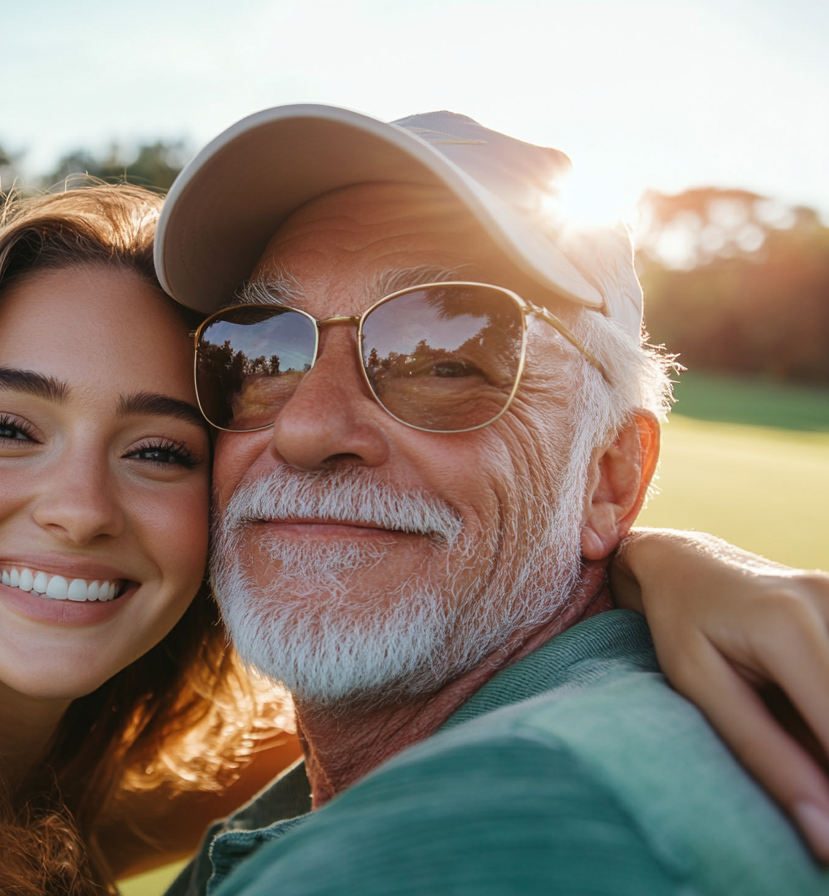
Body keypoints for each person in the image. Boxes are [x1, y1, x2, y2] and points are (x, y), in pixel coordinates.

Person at [0, 182, 829, 896]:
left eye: (155, 446)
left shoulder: (65, 805)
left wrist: (648, 559)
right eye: (4, 428)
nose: (81, 508)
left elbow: (413, 682)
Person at [152, 105, 829, 895]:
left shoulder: (466, 842)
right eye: (261, 350)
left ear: (610, 476)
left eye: (444, 361)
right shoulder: (346, 781)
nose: (304, 429)